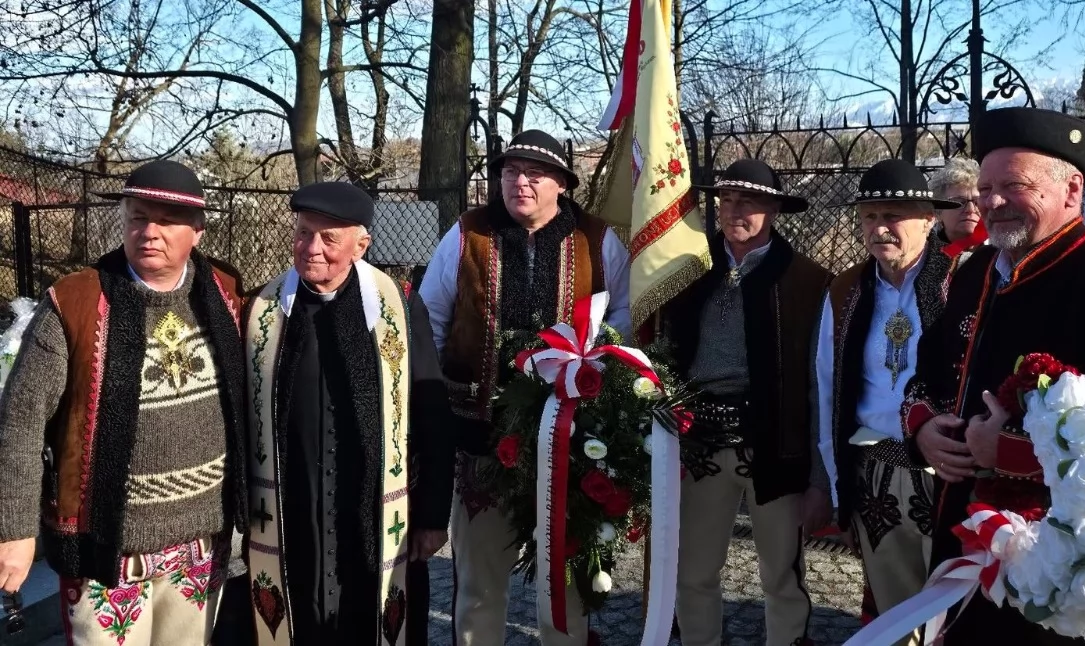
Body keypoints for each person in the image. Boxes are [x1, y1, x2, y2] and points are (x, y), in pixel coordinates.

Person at [902, 106, 1085, 644]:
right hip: (971, 540)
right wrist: (923, 427)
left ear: (1072, 189)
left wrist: (1012, 450)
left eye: (1013, 186)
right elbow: (928, 372)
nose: (992, 202)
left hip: (1074, 565)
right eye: (985, 189)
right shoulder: (974, 274)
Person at [0, 160, 246, 644]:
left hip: (200, 543)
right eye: (138, 217)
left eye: (167, 221)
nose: (150, 232)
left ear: (197, 231)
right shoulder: (74, 302)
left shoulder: (225, 293)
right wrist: (14, 530)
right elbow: (19, 423)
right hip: (105, 549)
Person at [419, 129, 631, 645]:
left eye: (535, 174)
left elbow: (623, 323)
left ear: (562, 184)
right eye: (511, 172)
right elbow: (429, 319)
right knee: (478, 582)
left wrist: (599, 387)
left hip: (572, 442)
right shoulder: (468, 234)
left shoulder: (598, 241)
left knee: (566, 583)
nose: (520, 183)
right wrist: (436, 402)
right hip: (480, 436)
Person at [243, 182, 453, 645]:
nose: (311, 248)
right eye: (303, 233)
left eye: (328, 238)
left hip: (374, 517)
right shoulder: (263, 311)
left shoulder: (398, 308)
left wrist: (433, 514)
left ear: (361, 245)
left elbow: (432, 415)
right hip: (292, 514)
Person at [661, 158, 831, 646]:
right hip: (699, 442)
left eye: (749, 201)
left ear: (774, 210)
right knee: (692, 570)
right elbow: (665, 354)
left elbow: (819, 383)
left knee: (781, 574)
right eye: (728, 199)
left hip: (774, 446)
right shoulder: (690, 269)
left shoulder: (808, 281)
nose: (735, 210)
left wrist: (819, 480)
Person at [815, 158, 961, 646]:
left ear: (928, 220)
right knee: (896, 617)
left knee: (959, 612)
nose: (880, 228)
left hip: (949, 473)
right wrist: (838, 485)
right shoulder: (845, 291)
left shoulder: (962, 282)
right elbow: (828, 387)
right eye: (869, 217)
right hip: (876, 473)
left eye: (893, 216)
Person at [928, 157, 987, 265]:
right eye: (959, 202)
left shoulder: (1002, 252)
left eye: (977, 202)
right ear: (938, 211)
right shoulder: (922, 254)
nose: (970, 209)